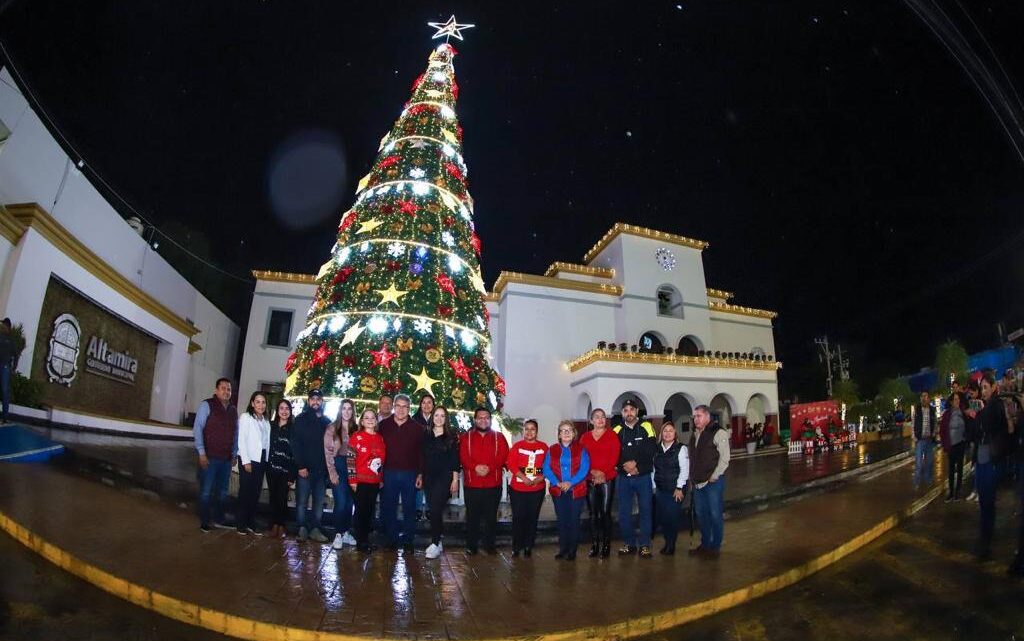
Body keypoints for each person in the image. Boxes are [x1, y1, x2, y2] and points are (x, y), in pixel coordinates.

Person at [459, 406, 509, 554]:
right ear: (475, 420)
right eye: (480, 417)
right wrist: (475, 467)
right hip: (472, 483)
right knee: (472, 516)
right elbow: (462, 456)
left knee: (491, 517)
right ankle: (471, 546)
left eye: (486, 417)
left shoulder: (499, 437)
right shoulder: (466, 437)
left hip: (492, 483)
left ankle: (489, 545)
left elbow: (503, 455)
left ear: (490, 420)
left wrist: (490, 467)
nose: (483, 420)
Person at [969, 373, 1009, 559]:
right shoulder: (983, 408)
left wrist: (980, 413)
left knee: (988, 503)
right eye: (981, 387)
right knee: (984, 503)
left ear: (993, 387)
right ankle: (983, 540)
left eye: (986, 387)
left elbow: (992, 426)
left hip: (991, 460)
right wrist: (974, 416)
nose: (983, 391)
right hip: (981, 458)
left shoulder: (996, 405)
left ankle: (986, 544)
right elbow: (976, 433)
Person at [378, 393, 424, 550]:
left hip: (410, 473)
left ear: (409, 409)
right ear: (393, 407)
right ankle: (391, 538)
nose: (401, 409)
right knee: (388, 506)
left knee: (409, 508)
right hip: (388, 473)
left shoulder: (418, 428)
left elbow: (421, 453)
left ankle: (408, 540)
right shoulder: (383, 425)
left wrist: (420, 474)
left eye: (405, 406)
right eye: (398, 406)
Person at [193, 378, 238, 532]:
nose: (226, 391)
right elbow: (198, 428)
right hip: (209, 458)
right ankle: (205, 521)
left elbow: (235, 433)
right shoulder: (207, 405)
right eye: (223, 388)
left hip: (226, 460)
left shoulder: (233, 410)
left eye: (229, 389)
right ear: (216, 390)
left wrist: (234, 453)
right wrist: (201, 452)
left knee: (223, 492)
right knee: (206, 492)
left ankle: (219, 519)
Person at [614, 399, 657, 558]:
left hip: (643, 476)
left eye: (632, 409)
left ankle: (645, 545)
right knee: (624, 513)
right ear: (622, 413)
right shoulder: (617, 429)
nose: (629, 413)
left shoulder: (646, 427)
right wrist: (623, 465)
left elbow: (651, 448)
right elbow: (614, 451)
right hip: (624, 478)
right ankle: (629, 543)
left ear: (637, 411)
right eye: (625, 410)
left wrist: (637, 464)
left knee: (646, 511)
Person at [544, 420, 590, 560]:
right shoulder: (552, 449)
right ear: (558, 434)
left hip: (576, 490)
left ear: (574, 433)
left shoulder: (582, 449)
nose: (566, 433)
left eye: (569, 430)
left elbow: (584, 468)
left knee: (573, 520)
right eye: (562, 431)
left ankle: (572, 550)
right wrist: (557, 483)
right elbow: (546, 468)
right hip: (558, 491)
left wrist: (571, 482)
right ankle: (562, 549)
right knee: (562, 520)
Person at [688, 404, 730, 559]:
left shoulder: (718, 432)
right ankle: (705, 544)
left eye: (698, 416)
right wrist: (691, 478)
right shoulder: (695, 435)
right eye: (694, 416)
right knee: (701, 514)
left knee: (715, 513)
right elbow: (693, 458)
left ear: (707, 417)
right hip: (697, 483)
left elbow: (725, 458)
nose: (695, 419)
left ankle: (715, 546)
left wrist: (716, 475)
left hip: (712, 482)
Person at [291, 389, 331, 543]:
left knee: (319, 502)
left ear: (322, 401)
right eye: (313, 399)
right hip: (304, 470)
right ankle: (301, 528)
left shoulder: (327, 421)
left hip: (321, 471)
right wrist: (300, 466)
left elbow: (330, 447)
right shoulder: (300, 419)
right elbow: (295, 444)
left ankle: (315, 529)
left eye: (318, 399)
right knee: (301, 501)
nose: (316, 402)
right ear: (308, 401)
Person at [580, 407, 620, 558]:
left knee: (605, 513)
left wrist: (602, 473)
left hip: (607, 478)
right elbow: (582, 458)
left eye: (603, 417)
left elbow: (614, 456)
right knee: (593, 514)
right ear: (591, 421)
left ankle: (606, 545)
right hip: (590, 478)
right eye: (597, 417)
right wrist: (592, 472)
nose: (600, 419)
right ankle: (595, 545)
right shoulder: (585, 437)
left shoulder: (612, 436)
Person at [422, 405, 460, 559]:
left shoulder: (451, 436)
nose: (439, 418)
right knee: (433, 510)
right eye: (436, 415)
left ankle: (435, 542)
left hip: (444, 478)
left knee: (436, 508)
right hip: (428, 477)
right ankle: (438, 541)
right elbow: (422, 457)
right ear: (432, 417)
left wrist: (455, 480)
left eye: (442, 416)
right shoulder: (426, 434)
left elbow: (454, 460)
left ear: (446, 419)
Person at [506, 419, 548, 557]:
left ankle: (528, 546)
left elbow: (548, 466)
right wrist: (523, 478)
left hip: (536, 489)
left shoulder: (544, 447)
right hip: (518, 489)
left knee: (532, 517)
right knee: (518, 517)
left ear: (537, 431)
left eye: (533, 429)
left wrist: (540, 478)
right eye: (527, 429)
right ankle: (516, 546)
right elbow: (511, 464)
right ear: (524, 430)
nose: (529, 432)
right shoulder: (517, 446)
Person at [350, 409, 386, 553]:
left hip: (375, 482)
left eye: (372, 418)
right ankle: (361, 541)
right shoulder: (356, 437)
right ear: (362, 421)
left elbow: (381, 462)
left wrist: (381, 478)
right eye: (367, 418)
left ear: (376, 421)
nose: (370, 420)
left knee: (370, 511)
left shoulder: (380, 438)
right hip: (359, 481)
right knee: (361, 511)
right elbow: (350, 459)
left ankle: (366, 540)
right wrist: (352, 479)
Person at [236, 391, 271, 535]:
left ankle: (251, 522)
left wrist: (266, 460)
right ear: (252, 403)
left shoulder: (266, 421)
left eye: (263, 402)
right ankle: (241, 524)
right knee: (245, 492)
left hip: (261, 459)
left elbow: (266, 443)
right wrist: (246, 461)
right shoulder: (246, 417)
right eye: (258, 402)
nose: (261, 405)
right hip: (248, 459)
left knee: (255, 493)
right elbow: (241, 440)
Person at [652, 421, 689, 555]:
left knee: (672, 517)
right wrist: (654, 487)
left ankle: (671, 544)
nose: (667, 433)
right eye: (665, 431)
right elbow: (653, 469)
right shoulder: (656, 449)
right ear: (661, 434)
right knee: (663, 517)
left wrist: (679, 487)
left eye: (670, 431)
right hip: (661, 489)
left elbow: (684, 470)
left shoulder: (681, 448)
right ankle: (667, 542)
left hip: (675, 489)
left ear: (675, 433)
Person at [325, 399, 357, 550]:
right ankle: (338, 533)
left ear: (352, 411)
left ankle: (346, 532)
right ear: (340, 410)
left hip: (352, 467)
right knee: (341, 501)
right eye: (344, 408)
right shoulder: (332, 428)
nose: (346, 411)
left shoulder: (357, 428)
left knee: (350, 503)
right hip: (337, 466)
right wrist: (332, 473)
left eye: (349, 408)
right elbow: (328, 452)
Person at [267, 399, 296, 538]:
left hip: (286, 470)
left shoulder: (293, 429)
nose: (284, 411)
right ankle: (273, 524)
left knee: (282, 498)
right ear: (277, 411)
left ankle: (281, 525)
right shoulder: (271, 426)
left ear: (290, 412)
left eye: (287, 409)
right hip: (271, 468)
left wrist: (292, 475)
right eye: (281, 408)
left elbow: (295, 453)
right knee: (273, 497)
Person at [939, 392, 967, 501]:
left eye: (958, 399)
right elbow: (942, 430)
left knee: (960, 468)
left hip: (961, 443)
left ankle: (958, 491)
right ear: (951, 402)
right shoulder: (947, 414)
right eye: (955, 399)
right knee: (951, 469)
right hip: (952, 445)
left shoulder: (962, 411)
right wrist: (944, 444)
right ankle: (951, 492)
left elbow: (967, 424)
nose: (957, 401)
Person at [912, 391, 938, 490]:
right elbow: (913, 423)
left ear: (928, 398)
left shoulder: (932, 410)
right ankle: (917, 482)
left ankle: (928, 480)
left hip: (929, 440)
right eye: (922, 396)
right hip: (920, 440)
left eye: (925, 396)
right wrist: (914, 436)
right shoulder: (917, 410)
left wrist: (934, 433)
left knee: (929, 462)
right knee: (918, 462)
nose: (924, 398)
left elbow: (935, 422)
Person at [0, 318, 15, 424]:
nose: (3, 327)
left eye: (4, 326)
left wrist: (13, 368)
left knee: (5, 390)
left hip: (5, 367)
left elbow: (16, 355)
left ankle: (5, 417)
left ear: (8, 327)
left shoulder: (11, 341)